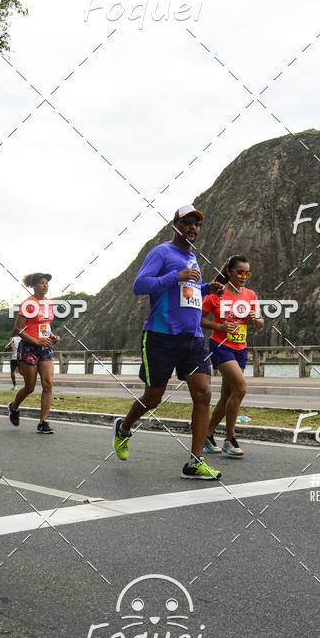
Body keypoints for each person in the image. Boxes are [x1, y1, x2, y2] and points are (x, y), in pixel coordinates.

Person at [113, 205, 225, 480]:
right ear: (174, 225)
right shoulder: (161, 252)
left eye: (197, 225)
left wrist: (205, 288)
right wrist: (177, 276)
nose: (193, 228)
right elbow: (140, 285)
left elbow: (185, 291)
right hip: (161, 336)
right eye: (187, 222)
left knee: (203, 394)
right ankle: (124, 427)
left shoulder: (192, 257)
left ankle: (195, 461)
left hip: (193, 337)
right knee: (154, 397)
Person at [201, 255, 264, 456]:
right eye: (240, 272)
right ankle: (230, 439)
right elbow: (199, 319)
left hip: (240, 348)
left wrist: (256, 319)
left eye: (247, 272)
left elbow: (260, 323)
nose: (244, 276)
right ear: (229, 272)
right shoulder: (216, 294)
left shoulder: (251, 295)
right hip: (220, 346)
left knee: (227, 396)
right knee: (241, 387)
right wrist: (218, 326)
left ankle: (206, 435)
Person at [7, 273, 60, 434]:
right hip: (29, 347)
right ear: (34, 286)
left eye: (47, 283)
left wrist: (52, 336)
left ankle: (43, 422)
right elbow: (17, 330)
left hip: (45, 346)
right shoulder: (28, 304)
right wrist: (35, 341)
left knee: (48, 383)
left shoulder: (49, 303)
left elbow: (44, 325)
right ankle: (14, 407)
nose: (46, 285)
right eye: (42, 283)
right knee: (30, 387)